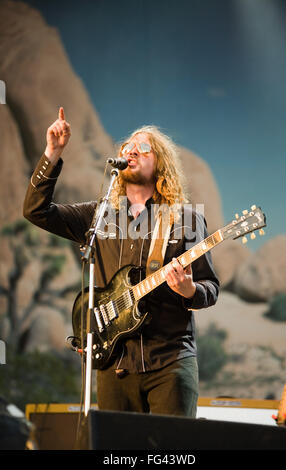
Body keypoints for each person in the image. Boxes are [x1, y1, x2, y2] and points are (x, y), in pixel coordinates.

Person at [23, 107, 219, 418]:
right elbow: (36, 211)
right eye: (126, 146)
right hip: (115, 365)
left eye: (143, 148)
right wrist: (52, 153)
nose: (131, 150)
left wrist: (189, 289)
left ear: (161, 164)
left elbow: (211, 288)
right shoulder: (98, 215)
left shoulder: (185, 220)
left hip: (170, 364)